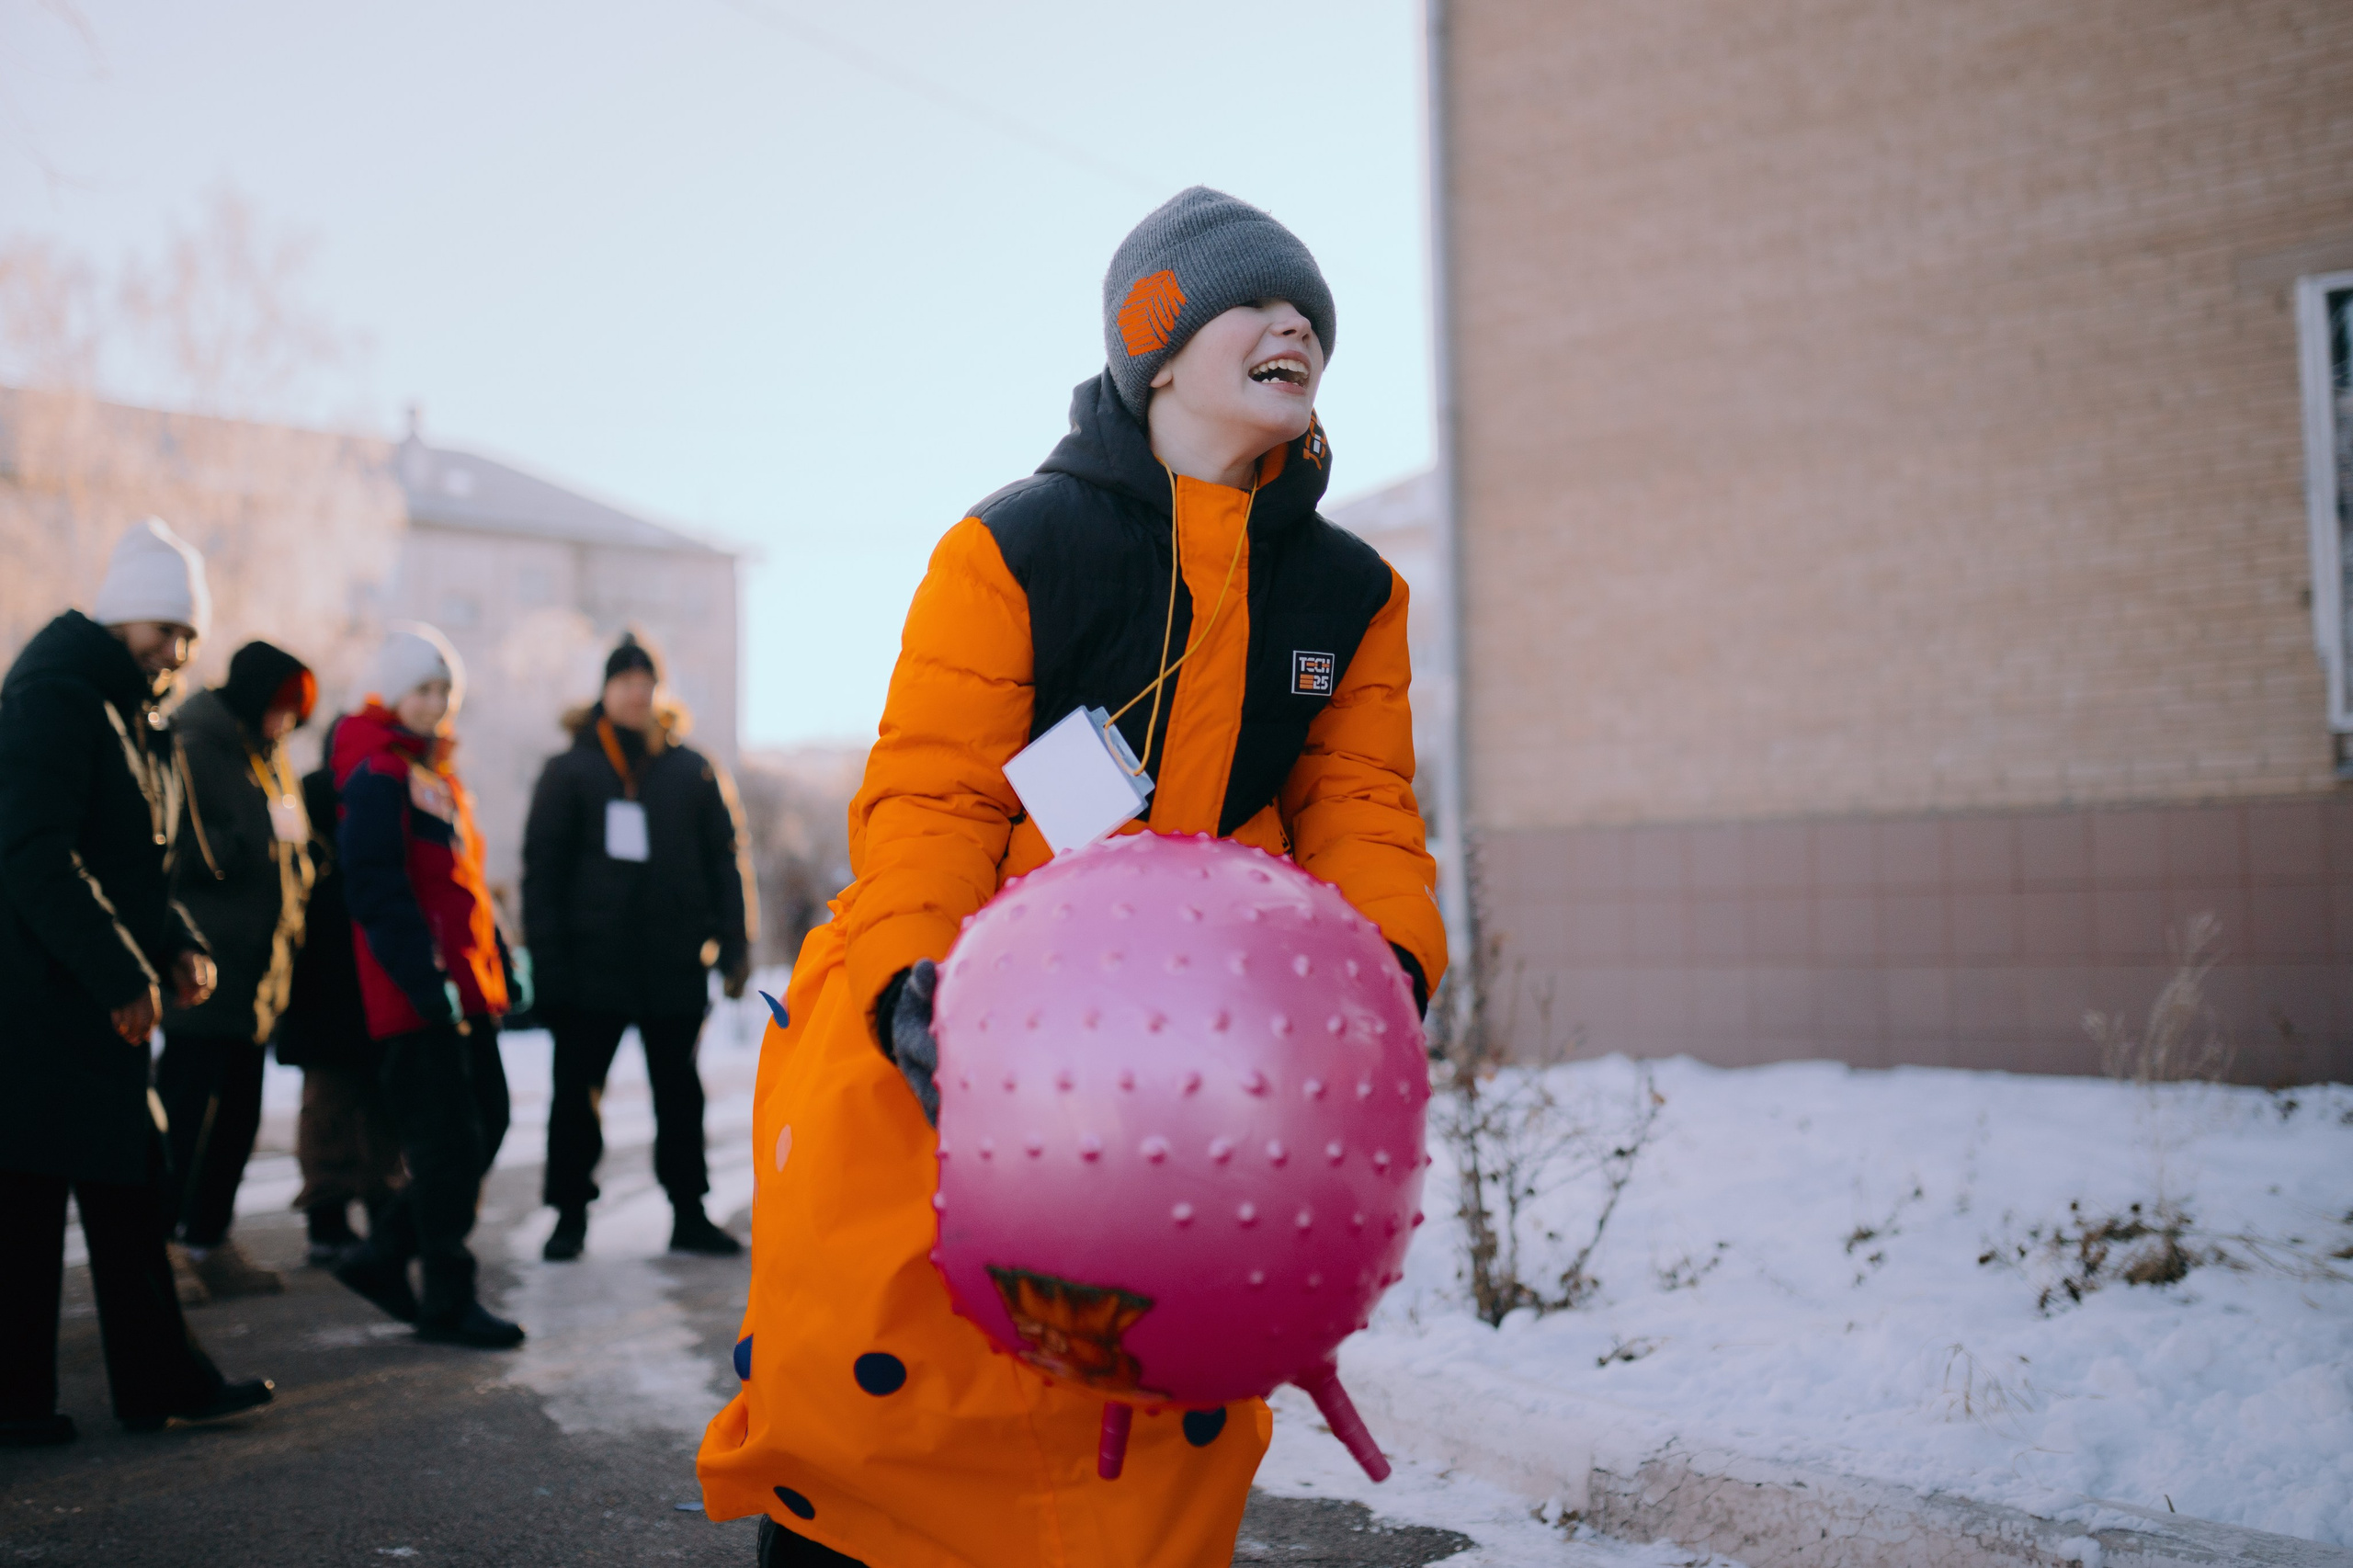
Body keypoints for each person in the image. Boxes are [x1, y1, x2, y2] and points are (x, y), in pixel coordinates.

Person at [697, 189, 1447, 1568]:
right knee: (898, 1412)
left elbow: (1361, 809)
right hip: (950, 1026)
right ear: (1154, 340)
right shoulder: (1016, 545)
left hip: (1201, 1070)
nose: (1298, 326)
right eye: (1256, 302)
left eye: (1314, 318)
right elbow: (934, 790)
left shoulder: (1353, 594)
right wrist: (918, 988)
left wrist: (1386, 976)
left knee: (1144, 1434)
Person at [0, 517, 276, 1446]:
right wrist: (124, 970)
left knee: (121, 1186)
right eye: (166, 627)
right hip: (38, 995)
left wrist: (180, 941)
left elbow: (134, 868)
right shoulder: (54, 697)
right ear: (123, 615)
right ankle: (26, 1400)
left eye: (189, 633)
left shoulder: (134, 714)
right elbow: (35, 854)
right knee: (37, 1203)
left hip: (90, 992)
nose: (179, 649)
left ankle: (152, 1378)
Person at [523, 632, 755, 1261]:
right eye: (623, 680)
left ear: (659, 690)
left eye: (645, 680)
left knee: (679, 1093)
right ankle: (568, 1215)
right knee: (577, 1094)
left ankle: (689, 1212)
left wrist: (736, 945)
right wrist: (547, 965)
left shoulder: (693, 769)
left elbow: (726, 859)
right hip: (588, 964)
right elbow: (540, 872)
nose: (634, 691)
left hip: (673, 963)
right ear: (604, 690)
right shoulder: (570, 770)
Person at [325, 624, 525, 1349]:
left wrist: (502, 959)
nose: (435, 704)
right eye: (422, 689)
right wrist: (422, 976)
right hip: (417, 995)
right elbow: (377, 887)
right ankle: (446, 1294)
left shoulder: (437, 777)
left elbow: (464, 884)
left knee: (488, 1122)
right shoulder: (378, 774)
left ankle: (383, 1253)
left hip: (469, 990)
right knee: (446, 1145)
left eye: (444, 692)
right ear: (388, 694)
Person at [154, 640, 318, 1299]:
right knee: (186, 1116)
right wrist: (250, 844)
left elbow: (289, 842)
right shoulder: (195, 745)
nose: (287, 723)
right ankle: (160, 1242)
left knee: (239, 1120)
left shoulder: (270, 758)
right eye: (281, 708)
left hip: (260, 972)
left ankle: (209, 1237)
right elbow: (185, 848)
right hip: (207, 964)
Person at [276, 710, 405, 1267]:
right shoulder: (313, 796)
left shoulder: (389, 787)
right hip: (327, 972)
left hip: (361, 966)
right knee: (334, 1101)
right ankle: (334, 1215)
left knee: (371, 1101)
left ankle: (374, 1209)